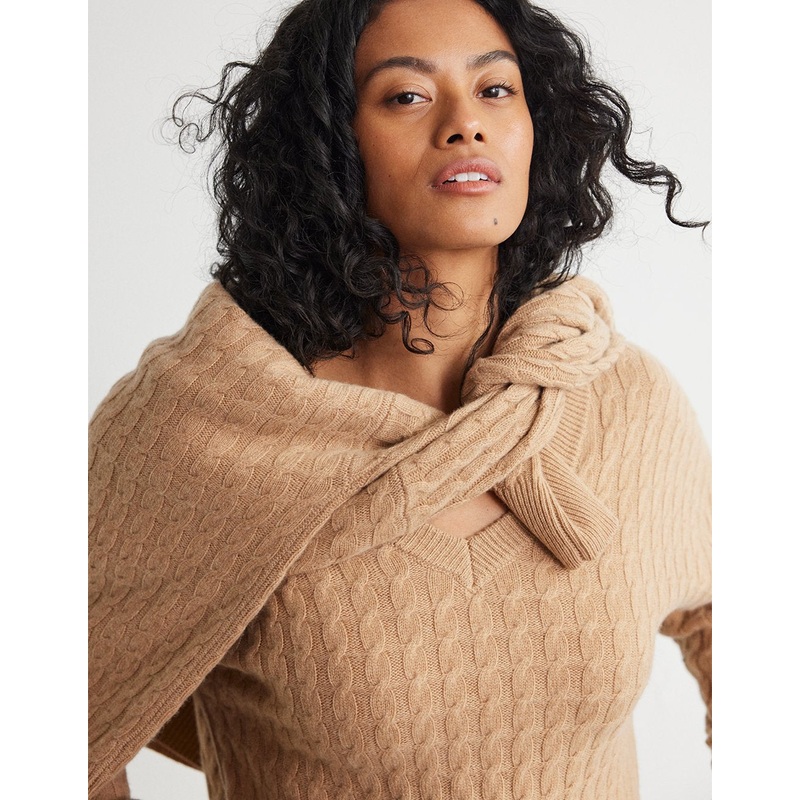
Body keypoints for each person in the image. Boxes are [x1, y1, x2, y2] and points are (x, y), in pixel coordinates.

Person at [88, 0, 711, 798]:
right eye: (406, 95)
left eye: (496, 90)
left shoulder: (622, 399)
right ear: (326, 143)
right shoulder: (202, 435)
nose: (465, 124)